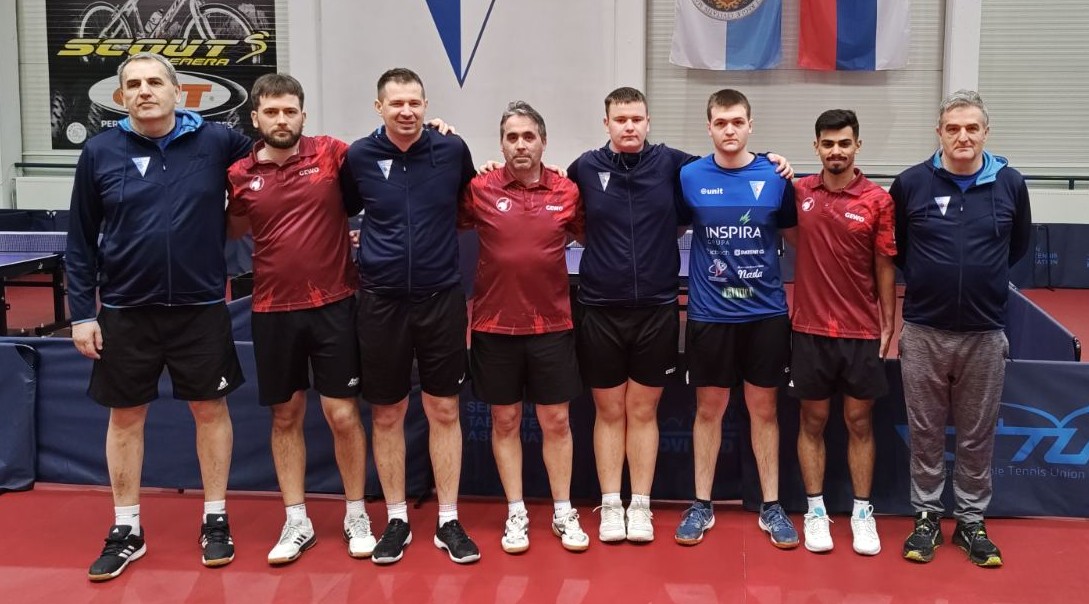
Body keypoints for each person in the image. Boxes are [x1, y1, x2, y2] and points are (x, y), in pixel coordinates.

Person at [566, 87, 791, 543]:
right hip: (614, 309)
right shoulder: (589, 168)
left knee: (743, 409)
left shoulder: (678, 166)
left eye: (637, 118)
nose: (629, 126)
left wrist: (776, 159)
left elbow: (743, 174)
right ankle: (622, 505)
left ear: (649, 121)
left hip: (683, 309)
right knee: (623, 410)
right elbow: (565, 209)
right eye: (620, 119)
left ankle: (655, 506)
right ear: (606, 123)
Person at [67, 52, 252, 581]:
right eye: (133, 84)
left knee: (210, 411)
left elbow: (282, 150)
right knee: (125, 418)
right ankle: (127, 528)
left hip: (200, 309)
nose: (144, 91)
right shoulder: (100, 151)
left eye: (154, 82)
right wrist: (81, 314)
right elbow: (80, 239)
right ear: (122, 96)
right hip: (125, 311)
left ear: (178, 91)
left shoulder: (218, 142)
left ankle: (215, 518)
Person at [225, 73, 374, 565]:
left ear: (303, 115)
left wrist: (435, 130)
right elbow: (235, 228)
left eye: (290, 111)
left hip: (335, 305)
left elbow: (383, 167)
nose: (282, 119)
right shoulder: (240, 174)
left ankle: (356, 513)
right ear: (256, 118)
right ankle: (296, 519)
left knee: (342, 414)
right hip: (272, 310)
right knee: (285, 415)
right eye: (272, 112)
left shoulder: (332, 154)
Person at [340, 67, 480, 565]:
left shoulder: (452, 150)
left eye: (414, 103)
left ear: (426, 105)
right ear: (379, 107)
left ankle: (448, 520)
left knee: (444, 409)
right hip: (380, 302)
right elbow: (343, 209)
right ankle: (397, 518)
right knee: (387, 412)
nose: (406, 111)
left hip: (440, 298)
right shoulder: (359, 156)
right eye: (396, 103)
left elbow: (470, 203)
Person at [893, 90, 1031, 568]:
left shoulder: (1011, 184)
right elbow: (900, 249)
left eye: (972, 128)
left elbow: (1017, 246)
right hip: (924, 331)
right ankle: (927, 517)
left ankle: (971, 522)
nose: (963, 137)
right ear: (939, 133)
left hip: (985, 333)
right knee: (925, 431)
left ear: (986, 133)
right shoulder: (911, 183)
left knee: (976, 434)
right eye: (953, 128)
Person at [460, 101, 589, 554]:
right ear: (501, 144)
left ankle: (562, 510)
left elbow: (588, 234)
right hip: (494, 326)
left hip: (551, 324)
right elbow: (442, 216)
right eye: (512, 137)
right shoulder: (479, 188)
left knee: (557, 420)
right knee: (505, 419)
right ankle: (516, 511)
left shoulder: (567, 191)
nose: (520, 145)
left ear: (543, 142)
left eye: (528, 136)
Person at [674, 89, 799, 549]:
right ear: (708, 127)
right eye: (721, 122)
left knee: (764, 410)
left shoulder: (776, 176)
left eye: (737, 122)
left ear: (750, 125)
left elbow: (798, 237)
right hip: (710, 315)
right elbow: (671, 227)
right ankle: (701, 504)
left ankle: (771, 505)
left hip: (765, 315)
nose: (729, 130)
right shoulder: (689, 176)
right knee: (709, 410)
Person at [790, 109, 896, 556]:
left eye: (844, 143)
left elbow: (884, 265)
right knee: (812, 421)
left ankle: (862, 513)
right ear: (816, 146)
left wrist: (888, 322)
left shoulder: (877, 200)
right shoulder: (798, 192)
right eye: (828, 143)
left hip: (860, 330)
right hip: (809, 329)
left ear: (857, 146)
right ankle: (816, 511)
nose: (837, 151)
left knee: (859, 422)